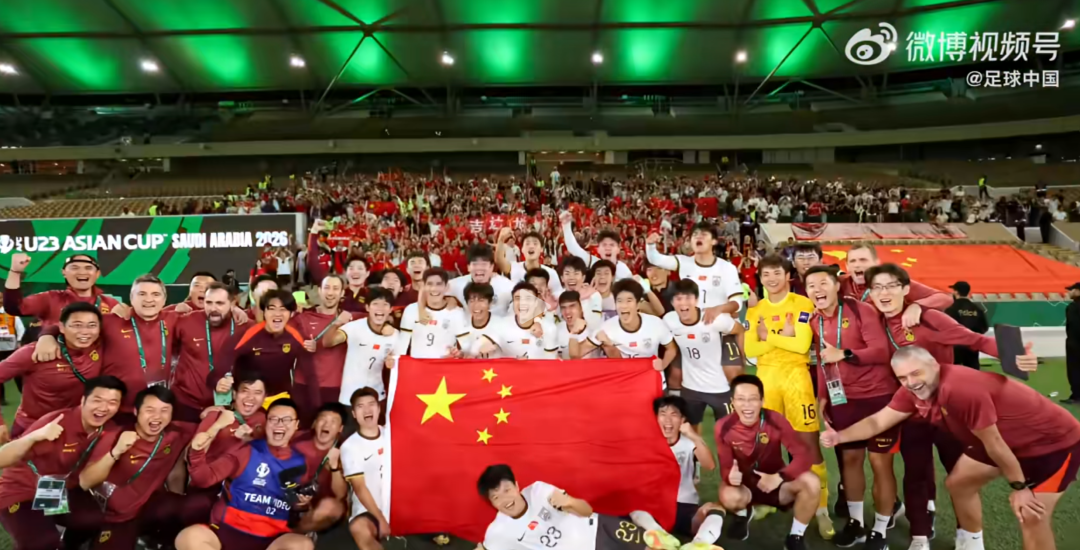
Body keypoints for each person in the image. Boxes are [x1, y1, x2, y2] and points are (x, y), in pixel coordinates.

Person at [822, 346, 1076, 550]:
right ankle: (972, 544)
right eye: (902, 377)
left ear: (935, 365)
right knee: (959, 483)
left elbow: (995, 444)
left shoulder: (959, 388)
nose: (911, 382)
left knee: (1031, 516)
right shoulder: (912, 391)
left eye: (916, 373)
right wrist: (839, 437)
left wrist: (1019, 487)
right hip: (1000, 440)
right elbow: (878, 422)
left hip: (1052, 443)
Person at [803, 265, 898, 549]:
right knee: (850, 461)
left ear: (836, 286)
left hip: (878, 398)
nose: (817, 290)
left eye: (823, 283)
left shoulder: (860, 311)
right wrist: (823, 398)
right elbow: (822, 361)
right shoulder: (815, 321)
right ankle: (856, 523)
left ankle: (880, 528)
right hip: (843, 399)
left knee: (880, 464)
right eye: (811, 286)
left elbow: (881, 351)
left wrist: (843, 353)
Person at [743, 254, 832, 538]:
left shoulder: (802, 303)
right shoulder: (755, 310)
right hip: (766, 379)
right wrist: (785, 337)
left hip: (796, 379)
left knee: (807, 444)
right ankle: (769, 500)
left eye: (776, 273)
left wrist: (767, 337)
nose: (771, 279)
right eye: (766, 274)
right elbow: (750, 351)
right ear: (760, 278)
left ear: (787, 276)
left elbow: (802, 344)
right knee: (765, 444)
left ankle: (822, 507)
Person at [0, 376, 127, 550]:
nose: (104, 408)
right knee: (42, 542)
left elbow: (89, 479)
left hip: (58, 489)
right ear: (83, 400)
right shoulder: (56, 422)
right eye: (97, 400)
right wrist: (34, 437)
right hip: (21, 491)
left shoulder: (110, 430)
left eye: (113, 402)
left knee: (94, 520)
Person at [36, 275, 180, 427]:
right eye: (142, 294)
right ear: (131, 298)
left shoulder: (174, 319)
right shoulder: (111, 320)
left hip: (155, 408)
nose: (149, 299)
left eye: (155, 294)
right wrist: (46, 336)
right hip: (114, 408)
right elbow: (70, 325)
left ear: (164, 299)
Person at [177, 398, 314, 550]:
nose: (279, 424)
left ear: (296, 425)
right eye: (273, 419)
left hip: (271, 539)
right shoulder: (245, 451)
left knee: (303, 545)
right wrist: (197, 453)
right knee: (188, 537)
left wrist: (302, 504)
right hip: (228, 531)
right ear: (266, 423)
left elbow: (297, 507)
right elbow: (204, 479)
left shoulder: (301, 463)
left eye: (286, 420)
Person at [76, 386, 195, 550]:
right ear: (136, 411)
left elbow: (208, 425)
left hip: (148, 507)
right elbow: (85, 481)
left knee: (192, 506)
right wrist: (116, 452)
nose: (157, 417)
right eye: (150, 410)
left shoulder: (176, 435)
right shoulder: (114, 436)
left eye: (164, 411)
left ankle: (155, 540)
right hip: (116, 516)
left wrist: (215, 413)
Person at [713, 375, 821, 550]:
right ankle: (742, 513)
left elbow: (804, 455)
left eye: (753, 399)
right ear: (733, 402)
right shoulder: (722, 426)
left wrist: (779, 477)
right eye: (741, 399)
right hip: (745, 487)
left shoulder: (775, 420)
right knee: (728, 495)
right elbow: (725, 467)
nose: (747, 405)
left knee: (812, 482)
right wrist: (730, 477)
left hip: (776, 486)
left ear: (762, 401)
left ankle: (796, 537)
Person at [476, 464, 662, 550]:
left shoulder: (539, 491)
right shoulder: (498, 532)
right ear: (492, 503)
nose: (505, 499)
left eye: (507, 490)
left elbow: (586, 511)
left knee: (656, 546)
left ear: (517, 486)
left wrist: (569, 502)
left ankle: (644, 521)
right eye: (496, 497)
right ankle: (643, 520)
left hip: (599, 528)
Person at [627, 396, 724, 550]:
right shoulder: (646, 444)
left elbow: (709, 465)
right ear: (655, 419)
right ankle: (660, 536)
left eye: (674, 414)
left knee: (715, 509)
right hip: (656, 506)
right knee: (633, 506)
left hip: (685, 506)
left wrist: (693, 435)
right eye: (663, 414)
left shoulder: (689, 443)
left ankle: (698, 544)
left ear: (682, 420)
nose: (668, 420)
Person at [0, 301, 105, 441]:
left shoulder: (100, 346)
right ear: (61, 327)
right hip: (34, 429)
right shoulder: (34, 352)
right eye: (76, 325)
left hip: (76, 428)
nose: (84, 332)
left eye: (92, 325)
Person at [209, 290, 317, 412]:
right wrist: (218, 382)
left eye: (283, 309)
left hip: (278, 400)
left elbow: (311, 377)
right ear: (264, 312)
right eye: (272, 309)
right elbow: (216, 373)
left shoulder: (297, 338)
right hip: (248, 400)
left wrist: (316, 409)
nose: (277, 314)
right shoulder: (245, 336)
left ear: (291, 313)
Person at [662, 279, 743, 432]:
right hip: (690, 388)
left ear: (697, 300)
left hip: (720, 387)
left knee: (729, 433)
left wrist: (741, 358)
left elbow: (739, 330)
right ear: (672, 302)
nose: (683, 303)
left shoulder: (715, 319)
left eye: (688, 298)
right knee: (690, 431)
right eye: (678, 298)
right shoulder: (669, 321)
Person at [169, 282, 252, 423]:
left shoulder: (246, 326)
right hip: (185, 404)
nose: (213, 308)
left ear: (232, 304)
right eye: (209, 302)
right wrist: (175, 308)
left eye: (220, 303)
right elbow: (157, 318)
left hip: (227, 406)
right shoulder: (186, 321)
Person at [645, 224, 744, 324]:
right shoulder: (683, 262)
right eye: (695, 234)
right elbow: (655, 259)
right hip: (692, 326)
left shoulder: (727, 268)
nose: (698, 237)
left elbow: (737, 303)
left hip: (721, 325)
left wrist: (718, 309)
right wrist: (650, 245)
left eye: (704, 234)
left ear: (714, 241)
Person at [571, 280, 675, 373]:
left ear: (638, 304)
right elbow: (576, 355)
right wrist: (574, 334)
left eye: (629, 301)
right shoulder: (606, 328)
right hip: (625, 382)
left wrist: (663, 364)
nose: (623, 306)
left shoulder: (655, 323)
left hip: (652, 381)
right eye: (619, 301)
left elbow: (671, 349)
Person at [292, 275, 356, 421]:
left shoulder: (349, 319)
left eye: (335, 288)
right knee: (302, 428)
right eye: (327, 288)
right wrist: (301, 345)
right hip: (303, 385)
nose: (330, 293)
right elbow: (286, 340)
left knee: (329, 428)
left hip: (334, 386)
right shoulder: (303, 317)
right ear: (319, 291)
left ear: (342, 293)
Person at [841, 244, 954, 325]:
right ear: (847, 266)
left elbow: (944, 298)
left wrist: (917, 306)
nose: (857, 265)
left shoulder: (892, 282)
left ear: (876, 263)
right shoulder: (839, 283)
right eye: (852, 261)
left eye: (863, 260)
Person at [323, 287, 398, 403]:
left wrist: (392, 362)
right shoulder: (354, 327)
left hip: (377, 396)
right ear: (367, 307)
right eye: (375, 304)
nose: (380, 308)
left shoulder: (395, 335)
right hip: (349, 397)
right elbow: (327, 342)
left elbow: (398, 363)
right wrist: (336, 323)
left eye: (385, 305)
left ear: (390, 309)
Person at [2, 253, 119, 326]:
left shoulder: (111, 304)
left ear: (97, 274)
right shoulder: (50, 299)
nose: (82, 272)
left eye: (88, 268)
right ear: (64, 273)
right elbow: (14, 308)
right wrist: (15, 271)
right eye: (74, 268)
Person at [341, 388, 391, 550]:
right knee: (359, 528)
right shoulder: (350, 446)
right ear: (354, 414)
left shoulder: (391, 434)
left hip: (398, 504)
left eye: (371, 404)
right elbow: (359, 488)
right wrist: (380, 519)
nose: (367, 410)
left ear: (379, 408)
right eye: (360, 406)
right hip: (368, 509)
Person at [291, 402, 348, 535]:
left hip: (322, 505)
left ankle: (296, 533)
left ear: (340, 428)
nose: (327, 425)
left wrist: (334, 467)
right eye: (323, 419)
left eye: (333, 421)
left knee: (332, 506)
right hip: (293, 498)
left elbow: (340, 495)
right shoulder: (296, 441)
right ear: (314, 423)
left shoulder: (345, 450)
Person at [396, 268, 468, 359]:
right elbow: (402, 345)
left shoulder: (457, 312)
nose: (434, 288)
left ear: (446, 287)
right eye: (430, 284)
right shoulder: (411, 310)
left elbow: (466, 347)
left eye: (439, 284)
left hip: (445, 366)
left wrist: (459, 354)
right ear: (423, 286)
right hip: (418, 365)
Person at [478, 283, 558, 360]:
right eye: (517, 298)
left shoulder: (549, 328)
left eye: (528, 298)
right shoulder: (501, 325)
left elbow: (551, 361)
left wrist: (528, 361)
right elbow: (481, 345)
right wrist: (484, 345)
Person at [559, 211, 635, 280]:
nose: (608, 248)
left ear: (618, 249)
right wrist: (566, 225)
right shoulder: (593, 262)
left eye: (612, 245)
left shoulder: (624, 269)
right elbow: (573, 247)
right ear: (598, 249)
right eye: (604, 245)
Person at [446, 245, 515, 318]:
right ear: (468, 267)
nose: (479, 268)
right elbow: (439, 289)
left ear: (492, 267)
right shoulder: (458, 284)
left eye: (484, 264)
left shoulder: (506, 286)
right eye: (475, 264)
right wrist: (449, 298)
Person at [496, 228, 562, 297]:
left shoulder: (551, 273)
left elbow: (558, 297)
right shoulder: (513, 267)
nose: (531, 246)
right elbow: (499, 260)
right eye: (527, 244)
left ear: (541, 249)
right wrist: (501, 239)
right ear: (522, 249)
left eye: (535, 244)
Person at [944, 281, 990, 370]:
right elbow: (984, 327)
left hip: (956, 346)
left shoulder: (951, 309)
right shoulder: (977, 309)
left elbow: (945, 328)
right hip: (972, 345)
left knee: (953, 372)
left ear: (956, 292)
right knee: (973, 372)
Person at [556, 290, 603, 360]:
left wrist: (573, 333)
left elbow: (574, 357)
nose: (567, 312)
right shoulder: (556, 330)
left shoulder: (593, 327)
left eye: (572, 306)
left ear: (581, 308)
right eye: (563, 307)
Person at [0, 292, 26, 406]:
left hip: (11, 348)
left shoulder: (11, 314)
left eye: (1, 297)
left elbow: (20, 329)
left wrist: (20, 342)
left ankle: (25, 396)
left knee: (18, 374)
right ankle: (1, 399)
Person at [1065, 282, 1080, 404]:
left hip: (1075, 344)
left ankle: (1077, 396)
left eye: (1072, 290)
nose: (1070, 292)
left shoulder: (1073, 307)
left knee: (1074, 370)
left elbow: (1074, 327)